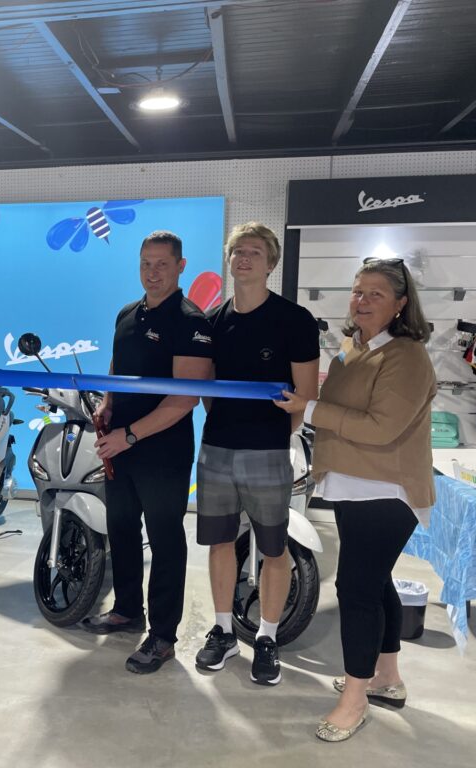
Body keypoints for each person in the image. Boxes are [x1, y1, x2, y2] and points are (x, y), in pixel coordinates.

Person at [275, 257, 435, 742]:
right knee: (375, 582)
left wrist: (311, 408)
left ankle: (355, 698)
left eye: (376, 294)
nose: (362, 301)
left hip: (386, 492)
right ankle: (386, 678)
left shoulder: (406, 356)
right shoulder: (355, 346)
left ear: (401, 304)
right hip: (351, 485)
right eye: (357, 291)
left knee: (356, 590)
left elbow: (383, 427)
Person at [194, 222, 320, 686]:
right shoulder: (211, 323)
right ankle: (224, 630)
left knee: (274, 548)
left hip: (268, 450)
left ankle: (266, 637)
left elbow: (302, 399)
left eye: (254, 252)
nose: (243, 259)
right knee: (220, 541)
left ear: (271, 263)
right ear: (228, 260)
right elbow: (208, 392)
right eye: (237, 252)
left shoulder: (295, 320)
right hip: (215, 448)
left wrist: (268, 436)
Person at [83, 230, 214, 674]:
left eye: (161, 264)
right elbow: (118, 367)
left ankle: (162, 635)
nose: (152, 272)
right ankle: (126, 609)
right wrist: (107, 403)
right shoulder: (126, 314)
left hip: (162, 451)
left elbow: (184, 400)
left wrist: (130, 436)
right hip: (121, 444)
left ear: (181, 266)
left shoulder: (191, 321)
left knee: (164, 539)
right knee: (120, 526)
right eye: (145, 263)